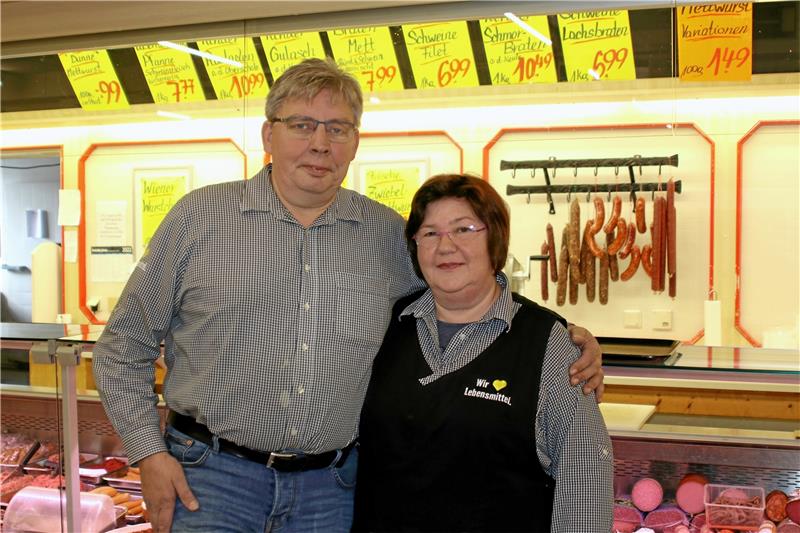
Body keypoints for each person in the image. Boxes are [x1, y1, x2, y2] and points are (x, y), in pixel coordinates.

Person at [92, 58, 605, 533]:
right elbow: (124, 346)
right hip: (211, 479)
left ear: (355, 143)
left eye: (337, 129)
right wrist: (147, 453)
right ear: (269, 134)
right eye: (302, 125)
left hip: (332, 491)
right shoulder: (199, 220)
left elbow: (460, 287)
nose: (320, 144)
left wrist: (557, 338)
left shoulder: (385, 234)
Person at [353, 174, 614, 533]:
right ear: (415, 247)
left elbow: (584, 478)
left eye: (463, 229)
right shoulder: (386, 323)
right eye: (430, 233)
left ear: (495, 238)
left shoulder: (547, 342)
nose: (445, 246)